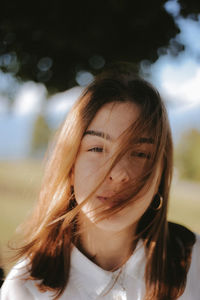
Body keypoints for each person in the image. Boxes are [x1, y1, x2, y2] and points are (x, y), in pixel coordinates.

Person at [1, 63, 200, 300]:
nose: (119, 173)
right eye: (97, 148)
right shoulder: (24, 289)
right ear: (70, 166)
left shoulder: (194, 261)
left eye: (140, 153)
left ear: (161, 173)